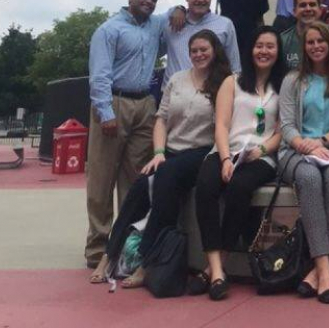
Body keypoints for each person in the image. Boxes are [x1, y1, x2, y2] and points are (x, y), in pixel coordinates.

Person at [91, 30, 232, 286]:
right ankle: (109, 256)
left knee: (166, 177)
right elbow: (161, 119)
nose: (199, 55)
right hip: (171, 152)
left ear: (215, 51)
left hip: (203, 152)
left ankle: (146, 261)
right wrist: (158, 153)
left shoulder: (225, 82)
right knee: (140, 186)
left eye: (204, 50)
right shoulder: (177, 79)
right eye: (194, 51)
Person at [194, 26, 286, 300]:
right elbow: (221, 125)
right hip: (227, 150)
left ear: (278, 52)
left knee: (239, 189)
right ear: (250, 49)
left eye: (270, 46)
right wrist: (224, 159)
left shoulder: (284, 86)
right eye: (259, 45)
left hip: (262, 156)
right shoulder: (232, 81)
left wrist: (261, 149)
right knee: (206, 186)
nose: (264, 51)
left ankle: (213, 268)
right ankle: (217, 271)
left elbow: (283, 131)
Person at [86, 0, 165, 271]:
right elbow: (99, 74)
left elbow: (180, 17)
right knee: (102, 178)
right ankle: (97, 247)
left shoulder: (155, 26)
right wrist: (104, 111)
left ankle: (126, 245)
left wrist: (180, 9)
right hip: (114, 101)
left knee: (135, 179)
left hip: (144, 102)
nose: (149, 2)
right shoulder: (109, 29)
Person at [279, 21, 329, 304]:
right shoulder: (293, 80)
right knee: (309, 178)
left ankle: (315, 271)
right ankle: (325, 268)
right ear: (304, 47)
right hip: (294, 152)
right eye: (310, 42)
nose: (316, 46)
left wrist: (324, 141)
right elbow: (285, 125)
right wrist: (304, 144)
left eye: (320, 41)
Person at [164, 0, 240, 79]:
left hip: (211, 91)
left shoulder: (225, 25)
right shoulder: (171, 23)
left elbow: (234, 66)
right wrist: (178, 8)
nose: (201, 0)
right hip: (173, 93)